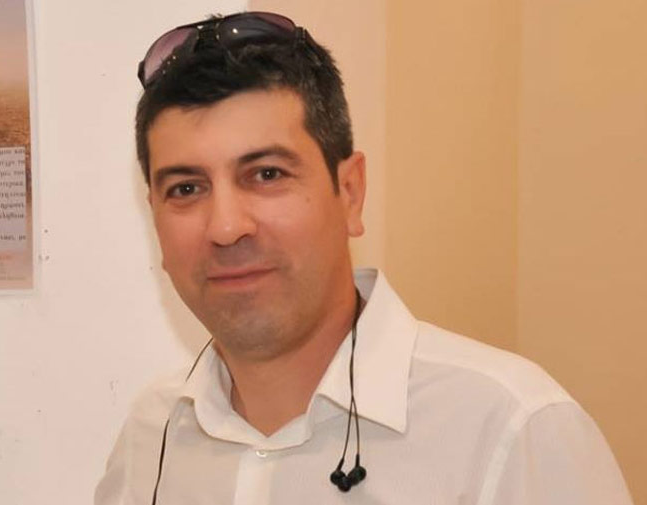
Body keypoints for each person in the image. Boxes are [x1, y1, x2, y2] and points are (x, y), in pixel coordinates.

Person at [96, 12, 633, 505]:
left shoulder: (511, 432)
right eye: (186, 188)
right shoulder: (151, 437)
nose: (226, 226)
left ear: (350, 192)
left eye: (266, 174)